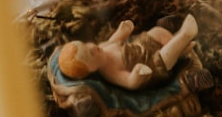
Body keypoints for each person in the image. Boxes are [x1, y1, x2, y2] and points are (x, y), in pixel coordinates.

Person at [57, 14, 199, 90]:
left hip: (140, 46)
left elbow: (116, 40)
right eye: (91, 54)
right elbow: (129, 83)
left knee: (157, 32)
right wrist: (137, 73)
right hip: (148, 65)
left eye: (86, 45)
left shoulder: (102, 46)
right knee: (163, 58)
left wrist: (123, 31)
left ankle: (178, 49)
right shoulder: (109, 71)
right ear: (92, 68)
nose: (93, 47)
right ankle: (184, 35)